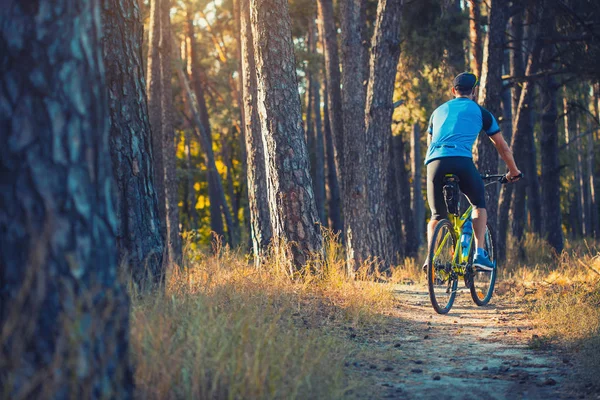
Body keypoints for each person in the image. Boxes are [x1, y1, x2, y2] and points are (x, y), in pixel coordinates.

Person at [424, 72, 521, 271]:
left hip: (434, 163)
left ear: (453, 91)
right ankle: (479, 254)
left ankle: (430, 259)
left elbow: (430, 143)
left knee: (436, 215)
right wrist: (513, 171)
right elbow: (502, 147)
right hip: (461, 161)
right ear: (474, 91)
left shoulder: (437, 112)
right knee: (478, 204)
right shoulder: (481, 112)